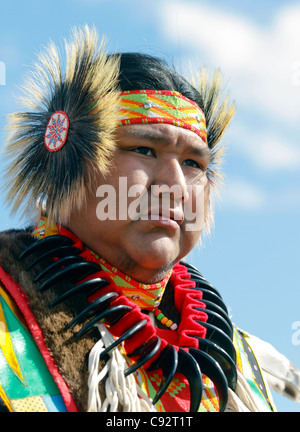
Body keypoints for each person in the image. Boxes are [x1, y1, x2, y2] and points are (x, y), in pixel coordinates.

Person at [0, 25, 299, 413]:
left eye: (194, 163)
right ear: (68, 165)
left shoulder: (235, 361)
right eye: (144, 149)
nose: (175, 184)